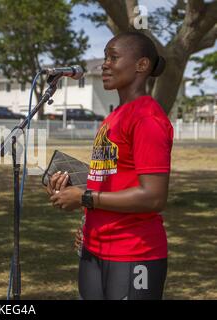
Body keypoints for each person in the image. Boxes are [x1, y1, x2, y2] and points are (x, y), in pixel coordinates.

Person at [47, 32, 173, 300]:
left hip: (134, 252)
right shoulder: (113, 117)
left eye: (113, 57)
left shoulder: (147, 118)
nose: (104, 64)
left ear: (141, 65)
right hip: (93, 248)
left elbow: (153, 197)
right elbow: (114, 180)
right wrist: (74, 192)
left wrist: (85, 197)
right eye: (105, 57)